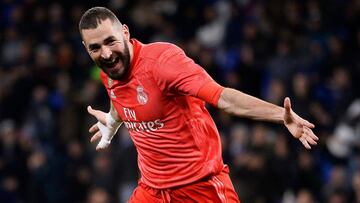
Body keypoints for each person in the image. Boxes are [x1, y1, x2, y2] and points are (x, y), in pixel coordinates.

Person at [79, 7, 319, 203]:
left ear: (125, 32)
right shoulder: (109, 72)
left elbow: (223, 97)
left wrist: (280, 115)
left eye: (110, 41)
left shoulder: (162, 63)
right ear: (86, 48)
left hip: (200, 188)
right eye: (96, 48)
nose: (107, 53)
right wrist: (113, 121)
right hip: (152, 191)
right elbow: (122, 98)